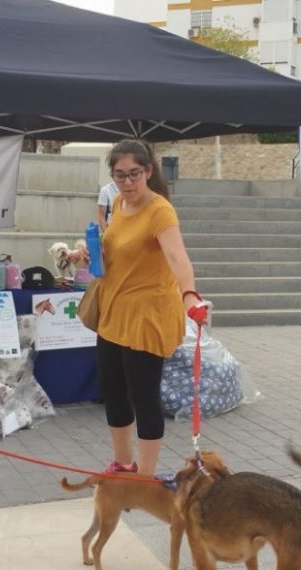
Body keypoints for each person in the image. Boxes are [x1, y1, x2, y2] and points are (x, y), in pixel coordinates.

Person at [96, 140, 207, 476]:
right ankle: (123, 463)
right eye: (120, 176)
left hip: (147, 315)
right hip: (114, 311)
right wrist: (90, 255)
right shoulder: (117, 202)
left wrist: (189, 293)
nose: (128, 183)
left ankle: (144, 477)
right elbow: (116, 249)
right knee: (112, 392)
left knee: (143, 396)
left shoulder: (159, 210)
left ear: (148, 171)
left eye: (134, 174)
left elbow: (176, 255)